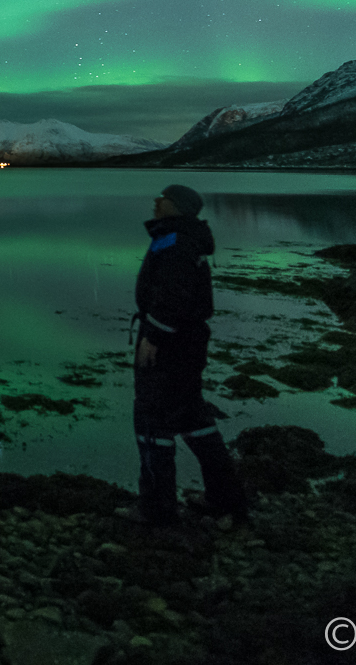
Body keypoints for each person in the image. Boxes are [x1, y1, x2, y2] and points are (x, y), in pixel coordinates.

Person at [127, 183, 249, 527]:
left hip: (171, 344)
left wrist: (154, 335)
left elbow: (174, 293)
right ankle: (226, 500)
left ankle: (157, 509)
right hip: (188, 343)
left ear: (177, 206)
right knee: (192, 417)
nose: (156, 200)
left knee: (152, 420)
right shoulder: (179, 236)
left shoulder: (178, 241)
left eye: (163, 197)